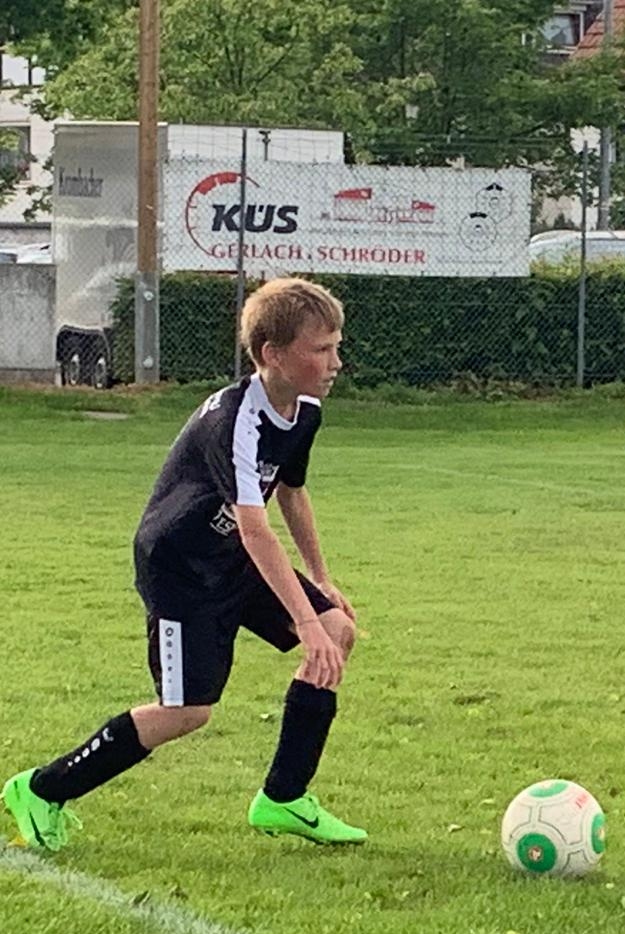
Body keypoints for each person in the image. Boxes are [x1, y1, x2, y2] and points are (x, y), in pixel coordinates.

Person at [3, 277, 367, 850]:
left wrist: (321, 581)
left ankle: (283, 798)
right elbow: (254, 528)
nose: (336, 362)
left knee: (337, 628)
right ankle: (42, 789)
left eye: (336, 346)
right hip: (180, 570)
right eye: (321, 349)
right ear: (272, 354)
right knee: (187, 711)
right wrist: (303, 621)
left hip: (231, 556)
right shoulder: (236, 422)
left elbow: (291, 491)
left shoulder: (305, 411)